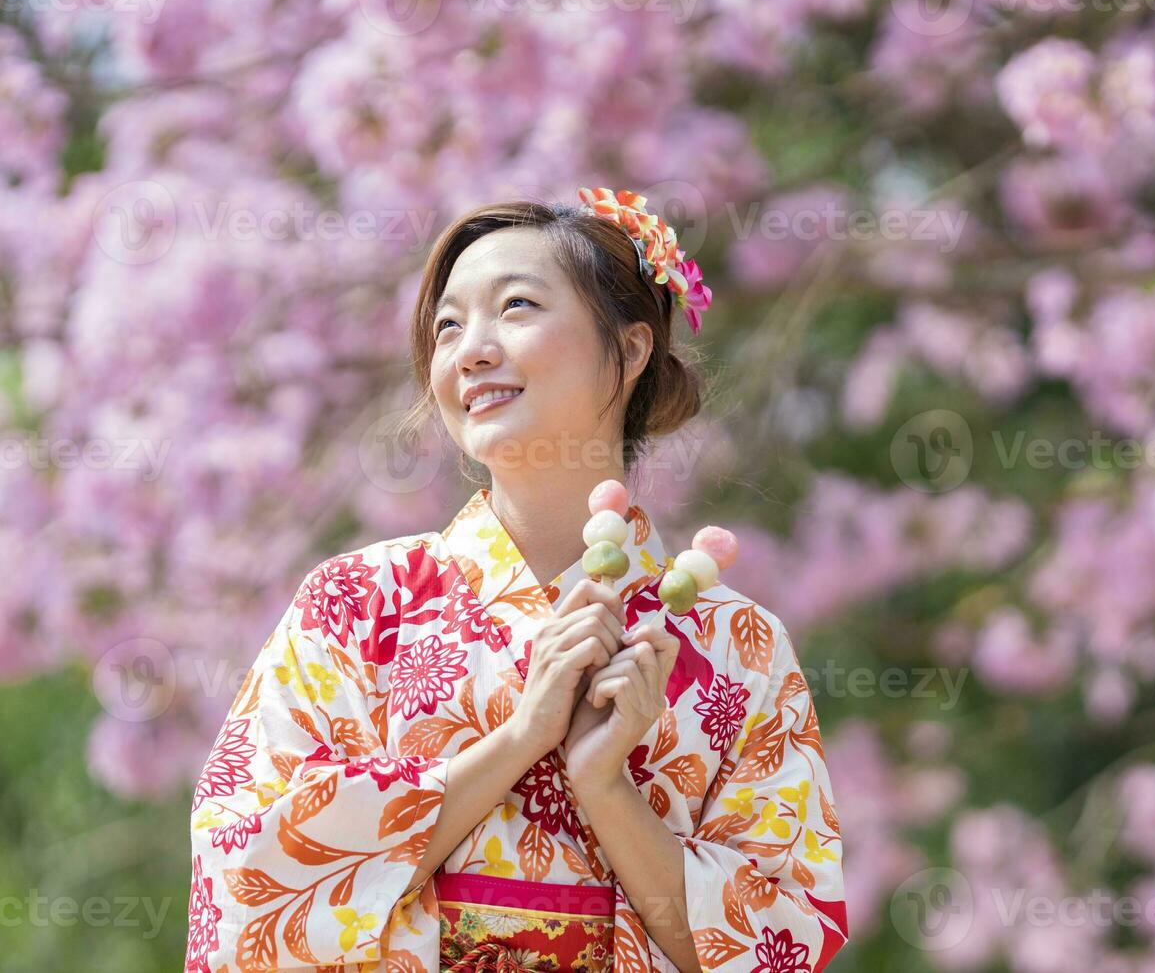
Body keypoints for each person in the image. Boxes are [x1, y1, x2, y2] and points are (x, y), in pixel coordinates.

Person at [185, 189, 847, 972]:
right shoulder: (357, 602)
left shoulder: (739, 644)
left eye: (517, 307)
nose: (470, 351)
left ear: (632, 350)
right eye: (448, 326)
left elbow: (782, 939)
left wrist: (605, 786)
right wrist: (520, 738)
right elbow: (246, 872)